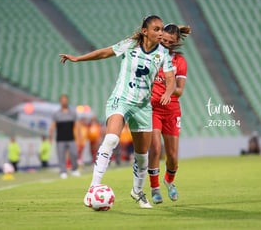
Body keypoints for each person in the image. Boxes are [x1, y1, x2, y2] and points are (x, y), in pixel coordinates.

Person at [60, 15, 175, 209]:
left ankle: (137, 192)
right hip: (120, 100)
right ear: (145, 31)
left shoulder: (164, 53)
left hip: (143, 106)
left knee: (141, 155)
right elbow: (105, 53)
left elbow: (171, 78)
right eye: (156, 29)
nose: (160, 32)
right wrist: (78, 58)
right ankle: (93, 188)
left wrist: (168, 92)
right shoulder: (130, 45)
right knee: (112, 139)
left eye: (162, 29)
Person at [148, 24, 191, 204]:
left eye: (170, 41)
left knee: (172, 156)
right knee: (156, 148)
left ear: (175, 43)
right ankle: (155, 188)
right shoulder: (149, 55)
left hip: (172, 109)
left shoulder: (179, 61)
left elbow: (179, 91)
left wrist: (168, 90)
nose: (165, 43)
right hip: (153, 109)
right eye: (163, 39)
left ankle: (169, 181)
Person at [49, 94, 81, 179]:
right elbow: (52, 126)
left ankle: (74, 169)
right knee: (61, 156)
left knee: (74, 154)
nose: (64, 101)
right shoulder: (56, 114)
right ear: (60, 101)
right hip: (60, 139)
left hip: (71, 138)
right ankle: (63, 171)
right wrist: (50, 137)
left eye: (65, 100)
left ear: (67, 101)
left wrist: (79, 137)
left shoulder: (72, 113)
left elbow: (77, 126)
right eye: (62, 100)